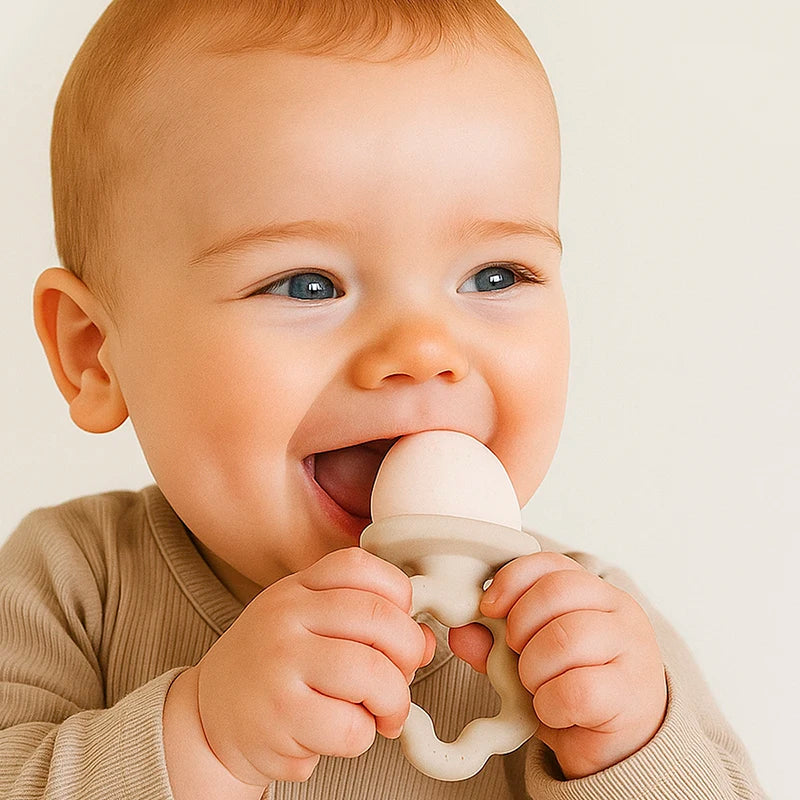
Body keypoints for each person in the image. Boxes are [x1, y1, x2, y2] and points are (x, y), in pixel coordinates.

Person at [0, 1, 765, 798]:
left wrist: (629, 750)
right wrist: (205, 739)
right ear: (95, 353)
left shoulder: (587, 639)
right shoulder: (74, 587)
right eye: (307, 285)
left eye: (496, 276)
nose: (422, 351)